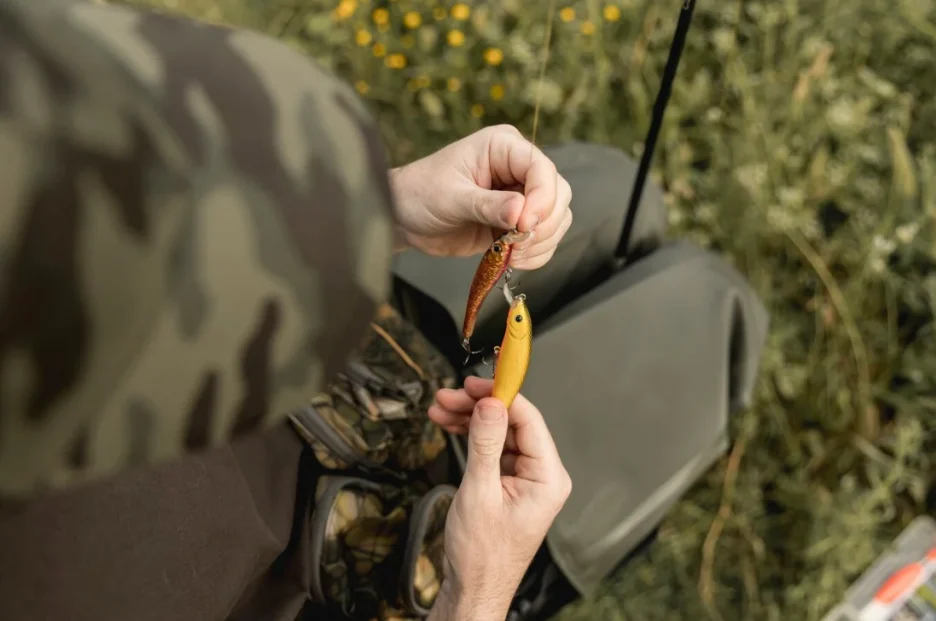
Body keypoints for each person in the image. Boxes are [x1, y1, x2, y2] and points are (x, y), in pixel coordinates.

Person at [0, 1, 578, 620]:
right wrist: (476, 597)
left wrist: (385, 206)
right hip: (329, 583)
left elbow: (110, 239)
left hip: (343, 391)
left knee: (607, 203)